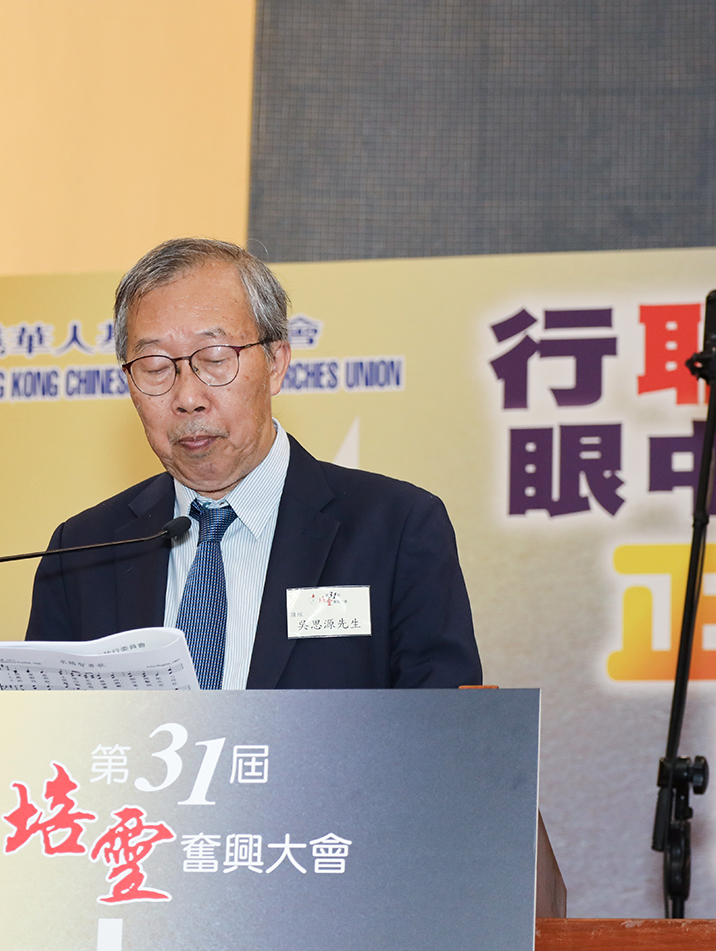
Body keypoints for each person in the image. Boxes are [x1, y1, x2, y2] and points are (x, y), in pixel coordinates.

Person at [26, 238, 481, 689]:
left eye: (215, 359)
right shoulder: (81, 551)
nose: (187, 398)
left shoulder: (397, 529)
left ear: (276, 363)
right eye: (155, 367)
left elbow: (443, 725)